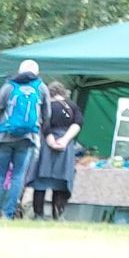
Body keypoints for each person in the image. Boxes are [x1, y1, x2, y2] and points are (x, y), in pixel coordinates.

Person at [0, 57, 48, 217]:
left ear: (20, 70)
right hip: (27, 139)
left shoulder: (9, 86)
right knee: (18, 176)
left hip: (4, 137)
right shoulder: (41, 87)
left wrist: (0, 125)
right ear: (37, 72)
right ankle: (9, 213)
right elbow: (47, 115)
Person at [27, 79, 82, 218]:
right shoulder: (73, 106)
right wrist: (65, 140)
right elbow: (77, 124)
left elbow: (43, 124)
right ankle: (57, 215)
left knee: (40, 182)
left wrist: (50, 140)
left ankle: (38, 215)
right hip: (66, 145)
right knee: (61, 182)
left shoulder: (47, 106)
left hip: (47, 144)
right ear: (63, 92)